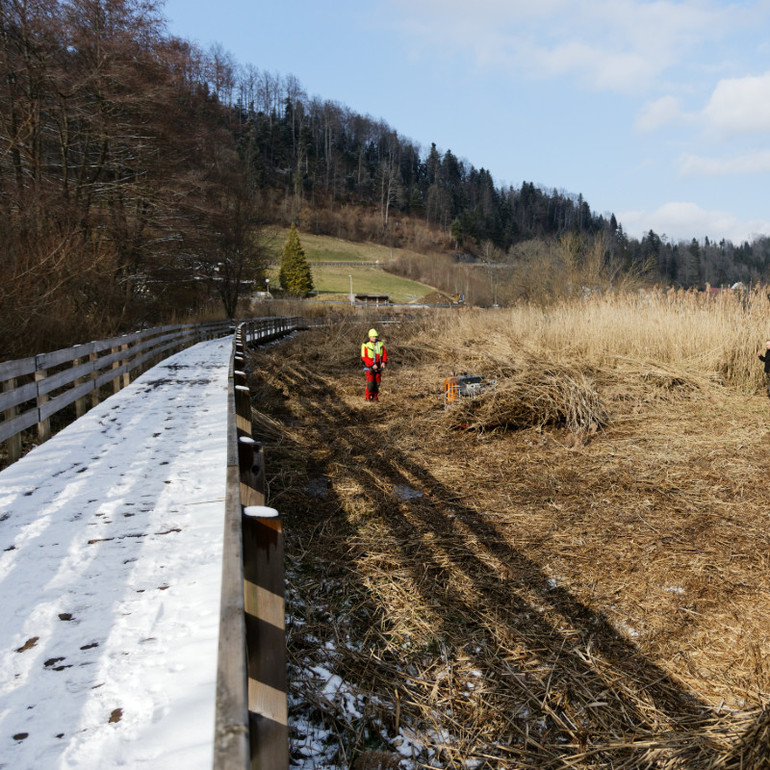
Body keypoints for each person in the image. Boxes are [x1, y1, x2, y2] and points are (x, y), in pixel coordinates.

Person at [361, 328, 387, 401]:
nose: (375, 338)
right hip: (369, 367)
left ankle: (375, 397)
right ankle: (368, 397)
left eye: (376, 336)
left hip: (378, 366)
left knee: (377, 382)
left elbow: (384, 353)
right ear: (370, 337)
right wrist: (372, 364)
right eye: (373, 336)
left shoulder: (380, 343)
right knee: (371, 383)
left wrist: (383, 362)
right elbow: (364, 357)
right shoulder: (365, 344)